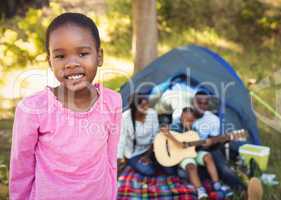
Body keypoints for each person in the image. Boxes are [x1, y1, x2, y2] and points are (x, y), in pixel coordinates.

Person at [9, 13, 122, 200]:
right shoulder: (32, 109)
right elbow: (21, 170)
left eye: (83, 53)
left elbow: (110, 161)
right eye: (60, 56)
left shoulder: (112, 102)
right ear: (50, 61)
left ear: (99, 56)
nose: (71, 64)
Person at [192, 91, 263, 200]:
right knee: (196, 172)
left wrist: (213, 141)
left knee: (224, 169)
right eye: (199, 103)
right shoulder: (184, 115)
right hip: (189, 153)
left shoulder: (212, 119)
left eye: (205, 103)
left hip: (208, 151)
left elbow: (213, 141)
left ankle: (246, 193)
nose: (202, 106)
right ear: (193, 103)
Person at [165, 107, 233, 199]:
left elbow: (197, 146)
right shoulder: (175, 128)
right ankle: (200, 190)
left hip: (194, 153)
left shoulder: (194, 130)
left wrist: (205, 144)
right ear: (181, 118)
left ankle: (217, 184)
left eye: (191, 121)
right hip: (183, 157)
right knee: (191, 166)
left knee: (208, 156)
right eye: (187, 120)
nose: (189, 123)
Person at [118, 93, 177, 177]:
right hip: (134, 153)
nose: (147, 109)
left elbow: (155, 136)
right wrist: (119, 160)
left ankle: (156, 161)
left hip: (151, 149)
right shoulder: (125, 118)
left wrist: (148, 155)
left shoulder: (152, 113)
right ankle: (148, 163)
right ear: (135, 108)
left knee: (170, 170)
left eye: (147, 105)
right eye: (143, 106)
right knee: (149, 171)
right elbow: (121, 142)